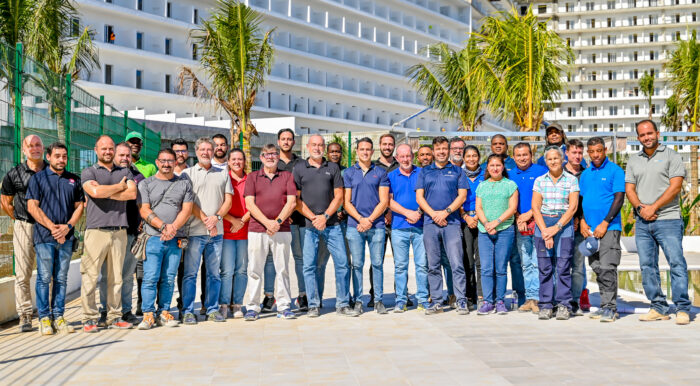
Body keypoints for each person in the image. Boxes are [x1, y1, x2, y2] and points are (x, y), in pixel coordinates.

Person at [625, 120, 690, 325]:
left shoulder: (671, 155)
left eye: (650, 133)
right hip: (643, 221)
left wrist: (653, 207)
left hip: (668, 219)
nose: (647, 137)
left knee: (676, 263)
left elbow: (675, 187)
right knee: (647, 266)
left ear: (657, 133)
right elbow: (630, 189)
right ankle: (658, 307)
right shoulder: (633, 160)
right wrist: (640, 209)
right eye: (642, 135)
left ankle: (682, 308)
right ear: (638, 138)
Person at [80, 135, 137, 332]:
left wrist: (106, 191)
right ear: (96, 150)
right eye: (103, 148)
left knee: (116, 278)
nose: (107, 152)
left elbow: (131, 194)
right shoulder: (89, 172)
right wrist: (119, 187)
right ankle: (89, 318)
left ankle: (114, 316)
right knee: (90, 276)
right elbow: (94, 193)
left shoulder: (125, 171)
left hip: (119, 231)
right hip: (96, 231)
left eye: (111, 148)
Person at [295, 135, 356, 317]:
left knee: (343, 264)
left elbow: (339, 196)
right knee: (309, 266)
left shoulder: (333, 168)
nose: (317, 147)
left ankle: (343, 304)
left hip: (333, 225)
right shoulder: (299, 168)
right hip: (309, 226)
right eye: (314, 144)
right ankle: (313, 305)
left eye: (321, 144)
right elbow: (297, 200)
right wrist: (315, 218)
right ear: (307, 147)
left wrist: (326, 216)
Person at [26, 142, 83, 335]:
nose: (61, 159)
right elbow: (32, 207)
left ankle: (58, 316)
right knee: (43, 278)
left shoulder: (74, 180)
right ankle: (44, 318)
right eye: (57, 156)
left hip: (66, 238)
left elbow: (79, 207)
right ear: (48, 157)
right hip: (44, 237)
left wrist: (67, 228)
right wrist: (53, 228)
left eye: (64, 156)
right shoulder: (38, 179)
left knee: (61, 278)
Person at [136, 149, 194, 330]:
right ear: (156, 162)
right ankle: (147, 314)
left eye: (170, 161)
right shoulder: (145, 184)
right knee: (150, 278)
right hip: (153, 238)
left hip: (174, 239)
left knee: (169, 278)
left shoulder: (184, 184)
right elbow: (144, 210)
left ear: (175, 163)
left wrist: (173, 228)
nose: (167, 164)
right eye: (163, 161)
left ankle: (164, 312)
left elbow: (187, 210)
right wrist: (163, 227)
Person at [180, 137, 233, 324]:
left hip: (216, 233)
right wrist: (204, 218)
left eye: (209, 149)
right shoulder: (187, 174)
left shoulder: (223, 173)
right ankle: (187, 311)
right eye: (202, 149)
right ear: (196, 151)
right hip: (194, 232)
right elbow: (187, 201)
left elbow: (228, 200)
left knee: (214, 274)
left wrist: (216, 218)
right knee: (190, 274)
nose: (206, 152)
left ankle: (212, 309)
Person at [243, 144, 297, 321]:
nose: (271, 157)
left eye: (274, 154)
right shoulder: (252, 177)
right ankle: (252, 307)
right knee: (254, 269)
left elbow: (292, 203)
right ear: (261, 157)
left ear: (278, 157)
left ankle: (283, 306)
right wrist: (267, 223)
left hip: (282, 230)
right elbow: (250, 204)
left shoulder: (287, 176)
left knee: (282, 269)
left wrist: (278, 222)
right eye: (267, 154)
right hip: (257, 230)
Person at [416, 136, 469, 315]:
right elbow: (419, 198)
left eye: (444, 149)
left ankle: (461, 300)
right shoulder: (424, 172)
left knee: (456, 263)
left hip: (452, 223)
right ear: (433, 151)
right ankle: (437, 302)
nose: (441, 152)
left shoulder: (457, 171)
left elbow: (461, 196)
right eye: (438, 149)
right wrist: (434, 214)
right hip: (430, 223)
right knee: (433, 265)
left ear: (449, 150)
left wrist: (445, 212)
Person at [1, 135, 45, 332]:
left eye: (38, 145)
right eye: (30, 145)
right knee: (22, 274)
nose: (35, 148)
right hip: (24, 226)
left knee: (49, 274)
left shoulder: (53, 171)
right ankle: (25, 315)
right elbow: (6, 202)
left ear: (43, 148)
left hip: (49, 228)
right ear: (24, 150)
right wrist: (20, 219)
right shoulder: (14, 174)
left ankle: (49, 313)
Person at [98, 142, 144, 327]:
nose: (125, 158)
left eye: (128, 155)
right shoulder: (105, 176)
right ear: (113, 156)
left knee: (126, 275)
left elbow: (142, 202)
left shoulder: (139, 177)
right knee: (107, 275)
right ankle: (105, 311)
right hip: (109, 232)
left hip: (131, 233)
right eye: (121, 155)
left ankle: (125, 311)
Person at [579, 137, 625, 322]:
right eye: (592, 151)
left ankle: (610, 308)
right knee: (596, 267)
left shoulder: (615, 170)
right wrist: (582, 221)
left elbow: (619, 199)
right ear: (587, 153)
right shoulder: (586, 173)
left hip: (609, 227)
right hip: (590, 230)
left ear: (605, 150)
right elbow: (582, 200)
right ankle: (605, 305)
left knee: (607, 267)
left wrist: (605, 222)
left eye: (599, 150)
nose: (596, 155)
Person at [261, 128, 306, 312]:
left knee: (299, 259)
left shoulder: (301, 164)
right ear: (278, 142)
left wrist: (286, 215)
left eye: (289, 139)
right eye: (283, 139)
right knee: (271, 260)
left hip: (296, 221)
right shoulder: (271, 162)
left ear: (294, 142)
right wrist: (273, 221)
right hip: (273, 224)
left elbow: (299, 195)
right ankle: (269, 296)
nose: (286, 142)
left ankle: (302, 296)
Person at [532, 146, 580, 321]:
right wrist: (545, 230)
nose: (553, 162)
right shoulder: (539, 181)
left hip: (563, 224)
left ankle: (564, 305)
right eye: (549, 159)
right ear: (546, 161)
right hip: (543, 224)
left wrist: (557, 227)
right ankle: (545, 305)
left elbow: (573, 207)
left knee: (563, 267)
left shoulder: (571, 180)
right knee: (545, 268)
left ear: (562, 160)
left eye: (556, 158)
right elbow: (535, 208)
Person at [344, 137, 390, 314]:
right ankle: (358, 301)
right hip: (354, 226)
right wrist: (361, 220)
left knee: (377, 263)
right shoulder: (348, 173)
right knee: (357, 264)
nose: (365, 152)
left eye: (368, 149)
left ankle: (378, 300)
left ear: (372, 152)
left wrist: (369, 220)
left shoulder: (380, 172)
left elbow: (384, 201)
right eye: (362, 149)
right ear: (357, 151)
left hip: (376, 225)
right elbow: (346, 202)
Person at [475, 154, 518, 315]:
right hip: (484, 231)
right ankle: (487, 301)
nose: (495, 168)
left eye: (498, 165)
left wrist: (496, 222)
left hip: (504, 230)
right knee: (486, 268)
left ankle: (500, 301)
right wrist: (487, 223)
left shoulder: (510, 185)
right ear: (487, 168)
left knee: (500, 268)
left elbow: (512, 208)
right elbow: (478, 207)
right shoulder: (482, 186)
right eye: (491, 165)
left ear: (503, 167)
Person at [388, 144, 429, 313]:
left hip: (420, 226)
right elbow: (387, 200)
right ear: (396, 158)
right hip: (399, 227)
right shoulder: (390, 176)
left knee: (422, 265)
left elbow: (428, 196)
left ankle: (423, 299)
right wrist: (407, 213)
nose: (405, 159)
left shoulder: (422, 173)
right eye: (402, 156)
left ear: (413, 156)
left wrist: (418, 212)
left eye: (408, 156)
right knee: (400, 266)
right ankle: (401, 300)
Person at [510, 143, 548, 314]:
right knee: (526, 263)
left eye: (525, 154)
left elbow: (545, 197)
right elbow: (509, 201)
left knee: (539, 261)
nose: (522, 158)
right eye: (518, 155)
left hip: (539, 222)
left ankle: (541, 298)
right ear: (513, 157)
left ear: (531, 155)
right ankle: (530, 298)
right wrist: (519, 217)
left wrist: (530, 214)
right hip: (521, 224)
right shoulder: (510, 175)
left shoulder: (541, 172)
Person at [219, 149, 250, 319]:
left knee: (242, 270)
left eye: (240, 159)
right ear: (229, 162)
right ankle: (224, 304)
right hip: (227, 231)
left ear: (244, 161)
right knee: (227, 270)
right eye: (234, 159)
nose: (237, 162)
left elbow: (254, 204)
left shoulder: (250, 179)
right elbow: (218, 205)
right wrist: (233, 221)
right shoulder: (224, 178)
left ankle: (237, 304)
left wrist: (242, 222)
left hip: (245, 232)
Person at [564, 139, 590, 314]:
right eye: (574, 152)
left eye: (580, 153)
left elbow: (588, 201)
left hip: (581, 227)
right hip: (562, 225)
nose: (577, 156)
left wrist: (581, 220)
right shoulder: (559, 173)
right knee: (561, 265)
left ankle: (575, 301)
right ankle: (561, 299)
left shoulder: (587, 174)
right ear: (566, 153)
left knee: (579, 266)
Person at [460, 145, 484, 308]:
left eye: (474, 155)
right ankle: (469, 295)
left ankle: (482, 295)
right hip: (464, 220)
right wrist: (466, 216)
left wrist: (478, 216)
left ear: (479, 157)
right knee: (467, 260)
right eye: (468, 156)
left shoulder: (487, 174)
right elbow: (455, 197)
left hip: (483, 220)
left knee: (482, 261)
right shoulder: (458, 175)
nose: (471, 159)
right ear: (463, 158)